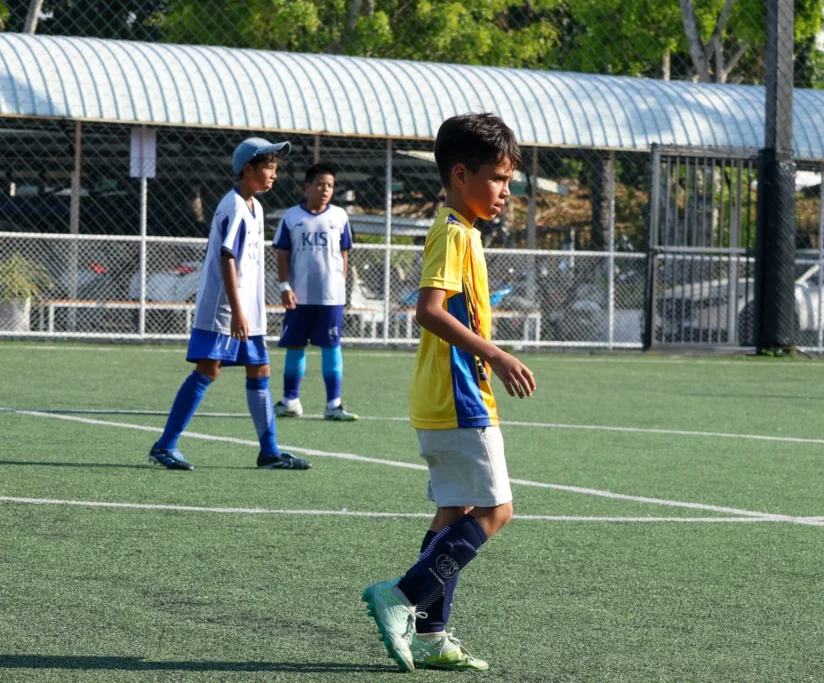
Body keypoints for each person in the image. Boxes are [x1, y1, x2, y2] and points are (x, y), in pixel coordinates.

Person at [361, 113, 536, 672]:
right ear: (460, 175)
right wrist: (496, 353)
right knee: (497, 510)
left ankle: (432, 636)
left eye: (510, 181)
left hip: (438, 398)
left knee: (453, 512)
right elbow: (428, 312)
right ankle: (403, 597)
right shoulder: (455, 233)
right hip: (460, 396)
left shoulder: (460, 230)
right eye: (498, 179)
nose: (507, 192)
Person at [147, 137, 312, 472]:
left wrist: (249, 310)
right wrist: (237, 311)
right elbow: (227, 258)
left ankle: (270, 452)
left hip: (246, 311)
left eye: (276, 168)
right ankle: (165, 445)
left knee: (261, 369)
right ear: (247, 169)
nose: (274, 174)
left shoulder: (255, 206)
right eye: (268, 167)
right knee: (209, 369)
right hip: (225, 309)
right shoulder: (235, 205)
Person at [272, 162, 359, 422]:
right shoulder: (291, 217)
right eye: (320, 184)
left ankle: (333, 404)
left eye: (330, 185)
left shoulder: (340, 216)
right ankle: (290, 401)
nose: (325, 189)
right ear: (306, 186)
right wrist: (284, 287)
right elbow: (282, 255)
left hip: (331, 297)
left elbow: (344, 255)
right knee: (295, 345)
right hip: (299, 296)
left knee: (331, 346)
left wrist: (340, 286)